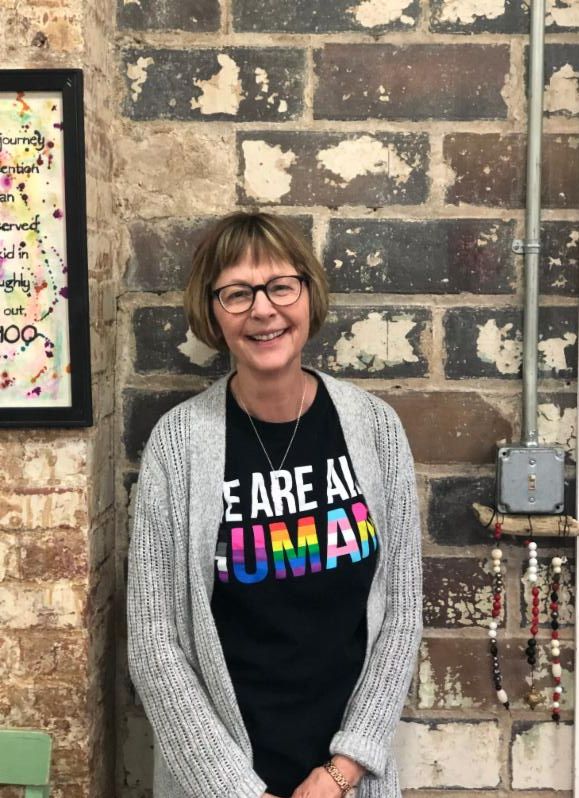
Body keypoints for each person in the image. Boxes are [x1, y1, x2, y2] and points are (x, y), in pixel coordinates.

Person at [127, 212, 423, 798]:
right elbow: (154, 641)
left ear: (308, 295)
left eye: (281, 287)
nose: (263, 310)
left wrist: (342, 772)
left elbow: (401, 612)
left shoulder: (375, 428)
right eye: (237, 293)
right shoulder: (178, 444)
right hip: (217, 783)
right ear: (213, 313)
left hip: (347, 782)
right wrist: (237, 790)